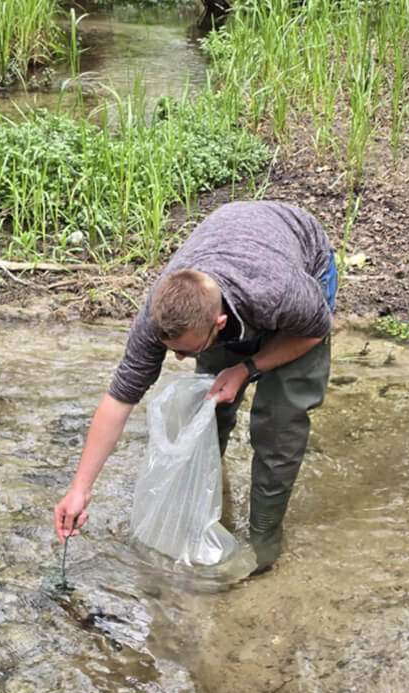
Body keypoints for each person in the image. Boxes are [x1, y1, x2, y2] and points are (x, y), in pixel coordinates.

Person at [54, 200, 337, 573]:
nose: (178, 361)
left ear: (219, 324)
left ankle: (265, 543)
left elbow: (315, 333)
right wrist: (80, 489)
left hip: (301, 268)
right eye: (172, 350)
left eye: (186, 351)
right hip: (235, 256)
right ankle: (208, 510)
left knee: (278, 426)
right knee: (209, 408)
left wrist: (246, 367)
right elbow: (119, 399)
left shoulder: (281, 293)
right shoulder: (160, 316)